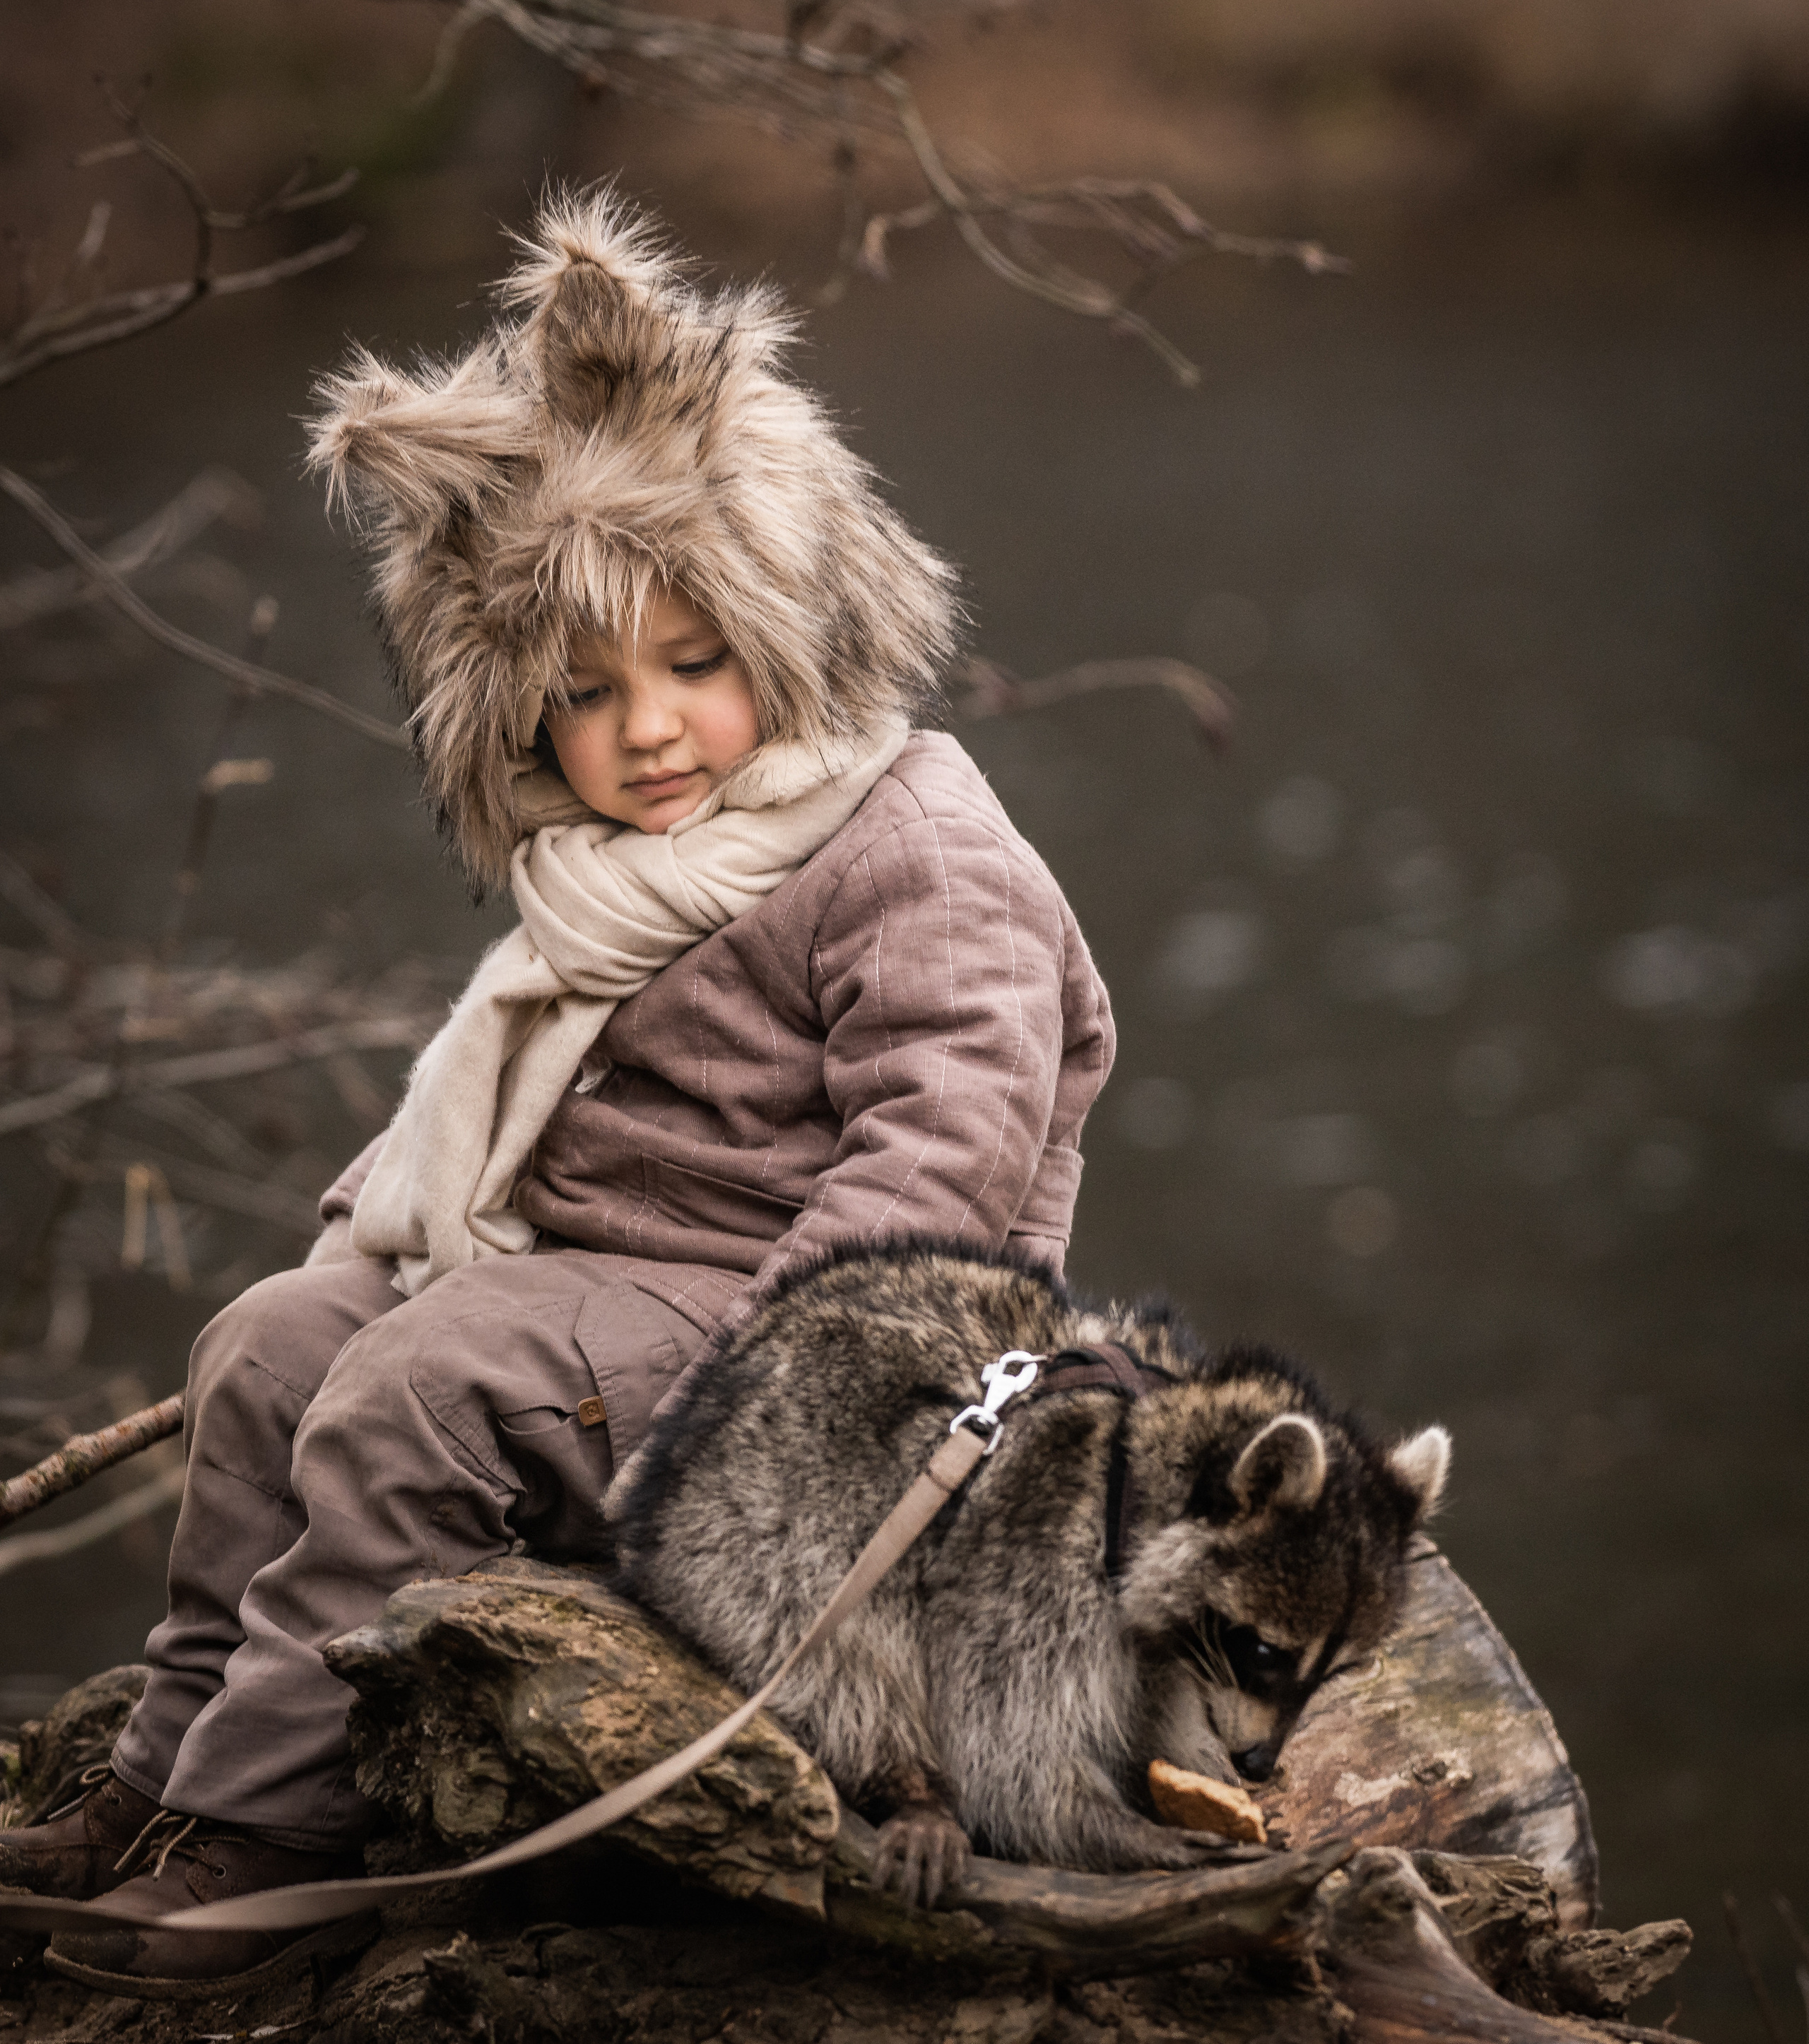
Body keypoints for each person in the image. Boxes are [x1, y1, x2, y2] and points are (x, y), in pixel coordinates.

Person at [0, 191, 1115, 1996]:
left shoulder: (915, 849)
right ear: (514, 711)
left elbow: (945, 1161)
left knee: (408, 1393)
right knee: (269, 1347)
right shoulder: (614, 868)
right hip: (583, 1275)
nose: (649, 727)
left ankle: (274, 1835)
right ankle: (162, 1775)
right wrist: (378, 1223)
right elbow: (517, 1059)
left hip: (791, 1347)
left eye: (695, 665)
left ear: (790, 632)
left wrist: (779, 1409)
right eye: (587, 692)